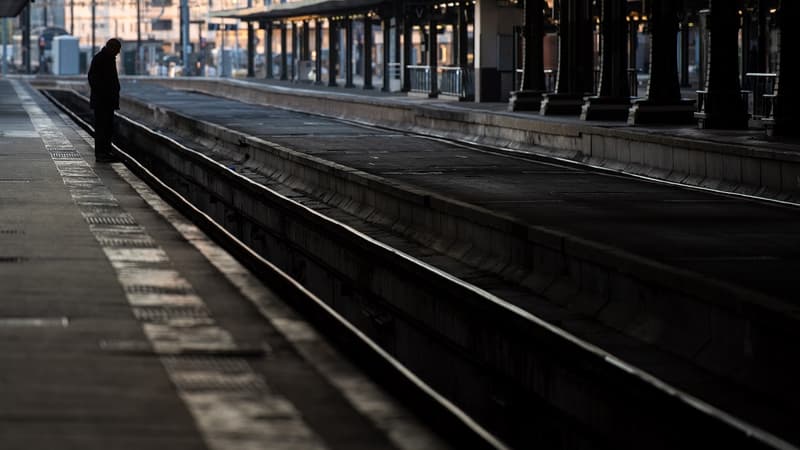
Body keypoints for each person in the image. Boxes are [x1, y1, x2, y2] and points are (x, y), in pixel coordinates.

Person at [88, 38, 121, 162]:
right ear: (111, 48)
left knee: (107, 128)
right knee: (103, 128)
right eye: (117, 50)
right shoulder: (101, 59)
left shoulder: (107, 58)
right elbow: (93, 78)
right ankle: (102, 154)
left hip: (107, 101)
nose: (118, 53)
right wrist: (104, 92)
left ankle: (105, 152)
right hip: (102, 101)